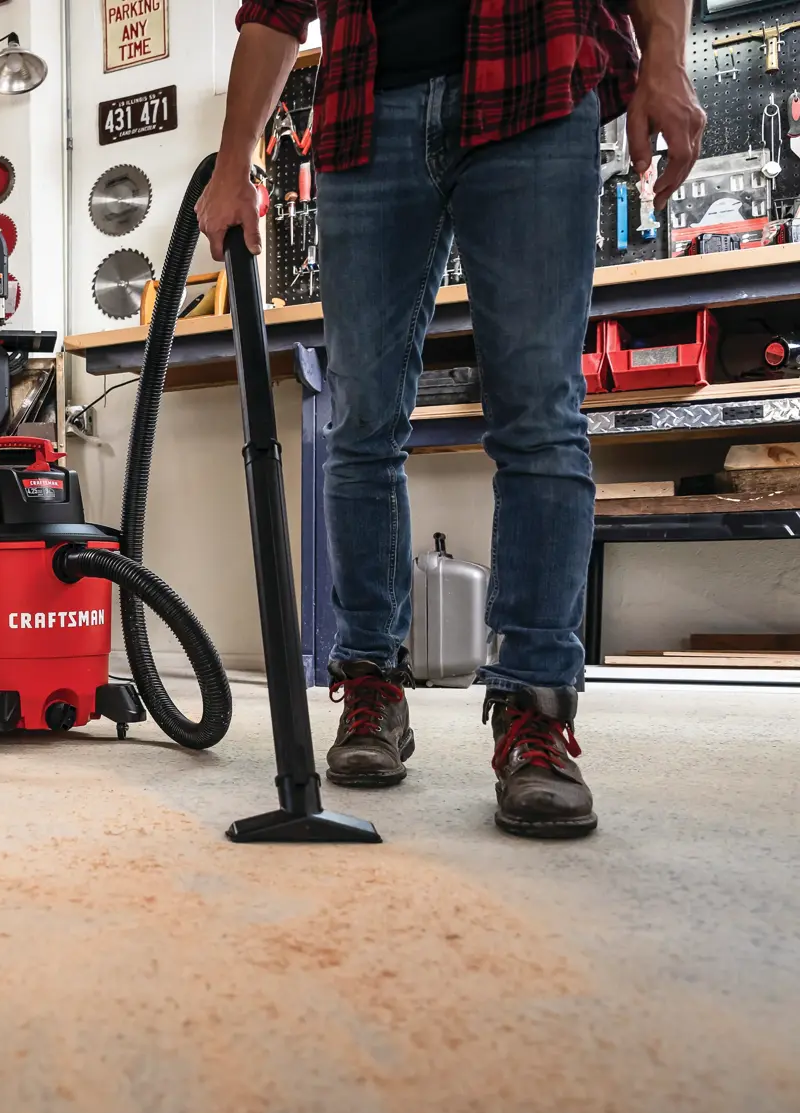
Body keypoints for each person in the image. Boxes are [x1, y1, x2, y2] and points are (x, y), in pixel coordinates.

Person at [197, 0, 705, 838]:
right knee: (357, 421)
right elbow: (276, 11)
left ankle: (534, 715)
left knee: (538, 412)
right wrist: (232, 162)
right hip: (367, 112)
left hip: (535, 85)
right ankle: (370, 687)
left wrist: (666, 59)